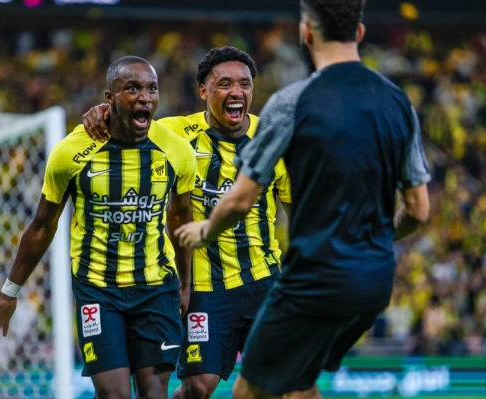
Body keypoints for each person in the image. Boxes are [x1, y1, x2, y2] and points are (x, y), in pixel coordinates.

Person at [175, 1, 431, 398]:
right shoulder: (400, 102)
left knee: (252, 390)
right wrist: (374, 238)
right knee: (298, 383)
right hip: (375, 282)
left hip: (313, 278)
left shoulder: (291, 103)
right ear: (360, 34)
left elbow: (241, 201)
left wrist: (206, 229)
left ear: (306, 33)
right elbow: (419, 211)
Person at [0, 55, 197, 399]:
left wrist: (186, 280)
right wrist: (9, 292)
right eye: (132, 88)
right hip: (98, 290)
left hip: (156, 288)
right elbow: (42, 226)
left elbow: (180, 217)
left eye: (152, 89)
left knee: (154, 393)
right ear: (109, 98)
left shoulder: (176, 152)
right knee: (114, 394)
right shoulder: (71, 152)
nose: (145, 97)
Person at [82, 46, 291, 399]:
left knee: (280, 382)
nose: (237, 92)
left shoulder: (273, 138)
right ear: (204, 92)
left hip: (263, 281)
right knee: (197, 386)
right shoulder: (174, 134)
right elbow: (130, 118)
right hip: (205, 289)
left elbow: (299, 210)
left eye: (245, 83)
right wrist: (104, 112)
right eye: (224, 84)